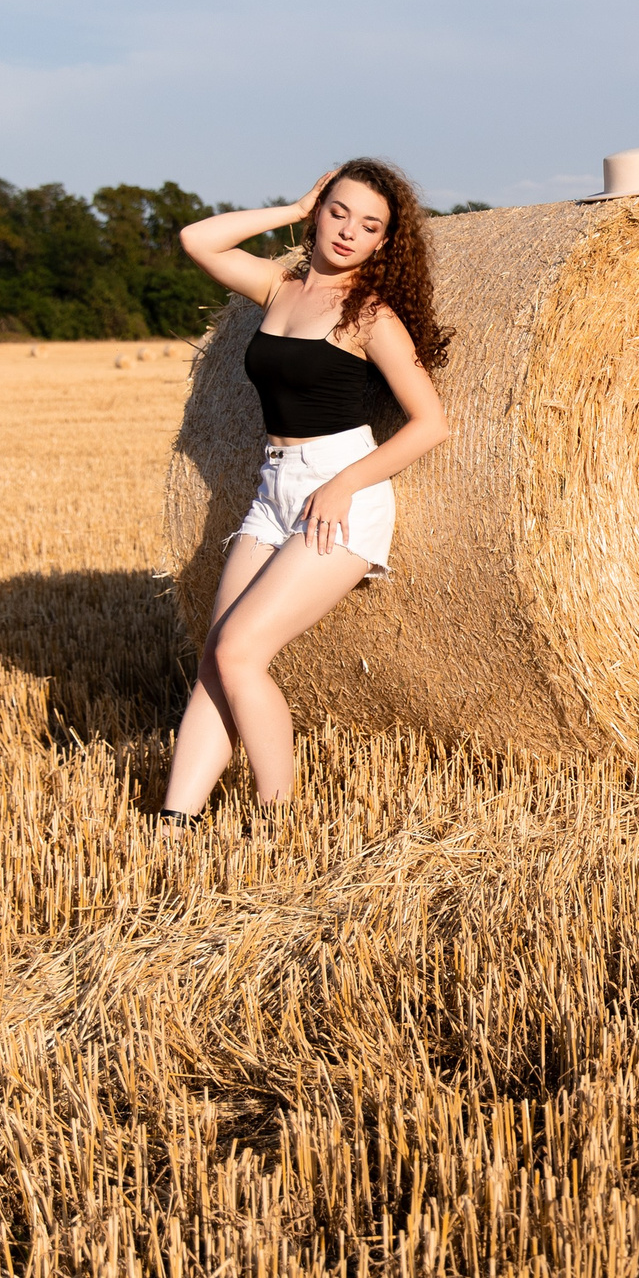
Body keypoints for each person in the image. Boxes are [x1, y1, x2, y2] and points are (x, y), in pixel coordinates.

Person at [160, 157, 455, 822]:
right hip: (274, 490)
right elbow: (197, 240)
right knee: (216, 659)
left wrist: (346, 484)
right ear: (319, 212)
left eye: (369, 224)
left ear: (385, 242)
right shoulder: (280, 287)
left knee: (240, 653)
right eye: (338, 211)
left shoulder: (371, 315)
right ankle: (175, 822)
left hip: (341, 496)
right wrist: (291, 209)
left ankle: (276, 819)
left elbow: (430, 423)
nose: (348, 230)